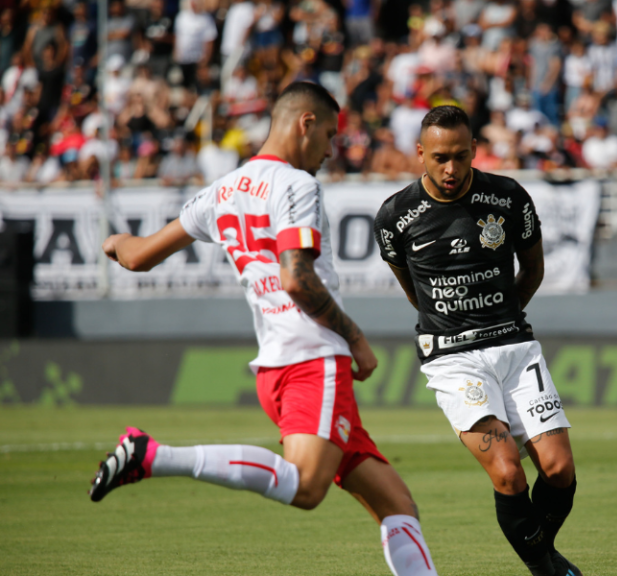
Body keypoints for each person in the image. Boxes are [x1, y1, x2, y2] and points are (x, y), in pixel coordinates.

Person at [87, 83, 439, 576]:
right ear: (305, 123)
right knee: (306, 487)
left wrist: (114, 242)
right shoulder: (296, 186)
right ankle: (153, 455)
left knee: (396, 502)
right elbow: (297, 277)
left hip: (276, 366)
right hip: (313, 358)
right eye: (330, 136)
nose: (330, 150)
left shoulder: (221, 192)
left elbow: (139, 256)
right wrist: (356, 338)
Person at [374, 106, 581, 576]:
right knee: (508, 472)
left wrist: (504, 317)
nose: (452, 169)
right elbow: (415, 290)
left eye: (462, 157)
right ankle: (545, 570)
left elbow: (533, 269)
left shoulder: (508, 198)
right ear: (421, 153)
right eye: (441, 157)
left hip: (515, 347)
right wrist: (453, 324)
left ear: (474, 151)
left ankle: (541, 551)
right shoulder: (395, 217)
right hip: (452, 357)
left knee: (559, 471)